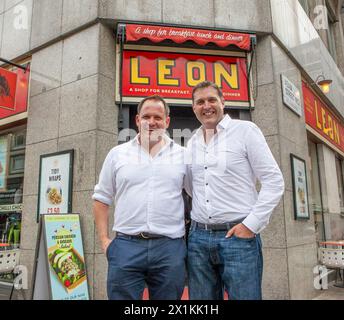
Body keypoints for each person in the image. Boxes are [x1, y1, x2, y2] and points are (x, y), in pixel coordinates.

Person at [186, 81, 285, 300]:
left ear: (223, 102)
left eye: (212, 99)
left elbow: (273, 180)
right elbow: (193, 188)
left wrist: (251, 225)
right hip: (198, 240)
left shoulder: (245, 131)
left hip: (238, 238)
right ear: (193, 107)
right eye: (200, 102)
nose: (206, 106)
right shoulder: (191, 143)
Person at [92, 95, 190, 300]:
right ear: (137, 120)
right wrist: (104, 240)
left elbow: (197, 194)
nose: (152, 122)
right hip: (126, 246)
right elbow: (101, 198)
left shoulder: (183, 155)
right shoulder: (117, 154)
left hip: (169, 247)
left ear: (167, 122)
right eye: (146, 116)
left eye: (158, 117)